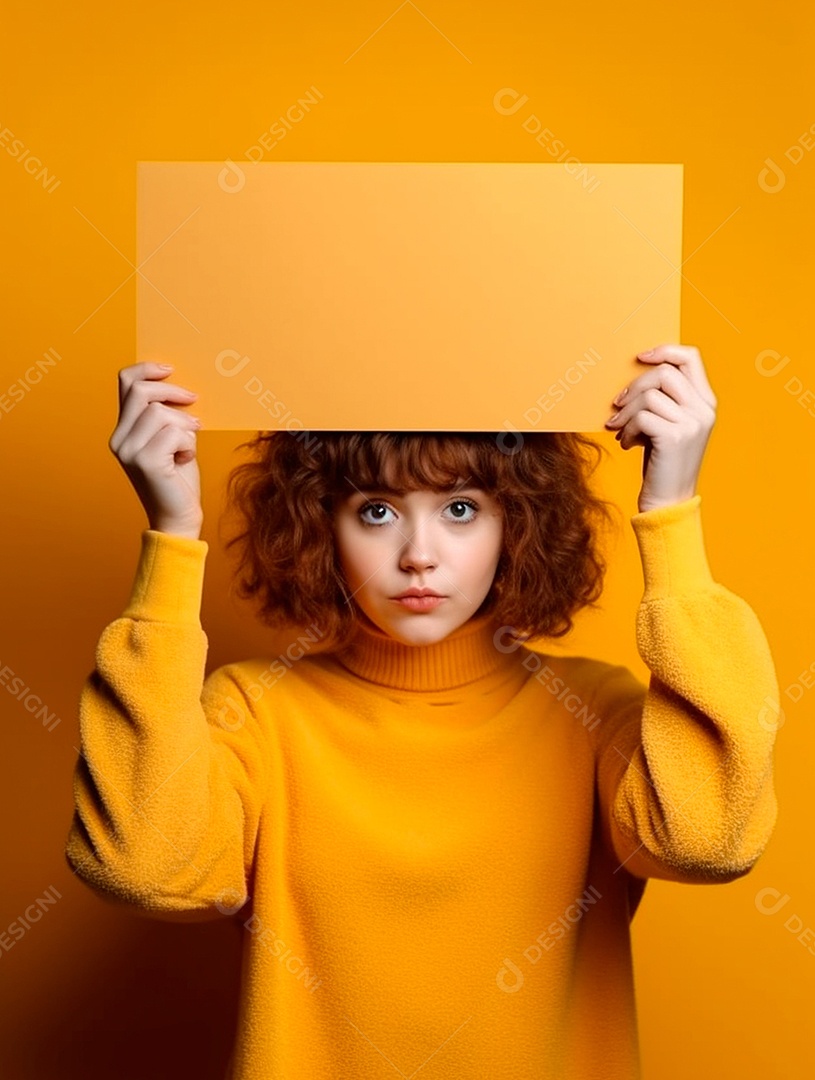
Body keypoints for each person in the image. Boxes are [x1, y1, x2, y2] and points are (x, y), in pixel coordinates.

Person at [64, 345, 780, 1080]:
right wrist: (173, 537)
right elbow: (146, 870)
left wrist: (669, 519)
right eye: (375, 511)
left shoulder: (594, 711)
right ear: (320, 527)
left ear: (516, 526)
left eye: (461, 509)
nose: (417, 555)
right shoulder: (257, 709)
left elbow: (707, 842)